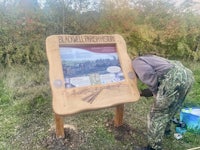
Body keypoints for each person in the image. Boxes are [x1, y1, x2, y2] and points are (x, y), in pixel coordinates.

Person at [132, 54, 194, 150]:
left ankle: (154, 147)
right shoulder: (150, 59)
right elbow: (161, 83)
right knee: (172, 106)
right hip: (187, 75)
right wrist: (142, 93)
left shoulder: (136, 62)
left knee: (157, 114)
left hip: (174, 77)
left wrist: (156, 94)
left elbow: (150, 78)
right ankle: (166, 130)